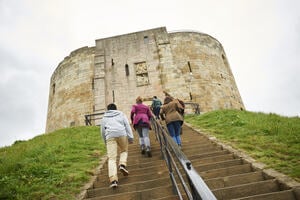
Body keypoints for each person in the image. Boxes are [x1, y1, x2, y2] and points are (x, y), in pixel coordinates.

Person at [101, 103, 134, 188]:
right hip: (121, 134)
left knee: (111, 158)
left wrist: (105, 141)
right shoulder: (121, 114)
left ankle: (113, 180)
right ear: (116, 108)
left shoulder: (104, 117)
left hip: (110, 136)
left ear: (108, 109)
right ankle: (122, 164)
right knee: (124, 150)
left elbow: (102, 131)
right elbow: (127, 125)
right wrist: (130, 137)